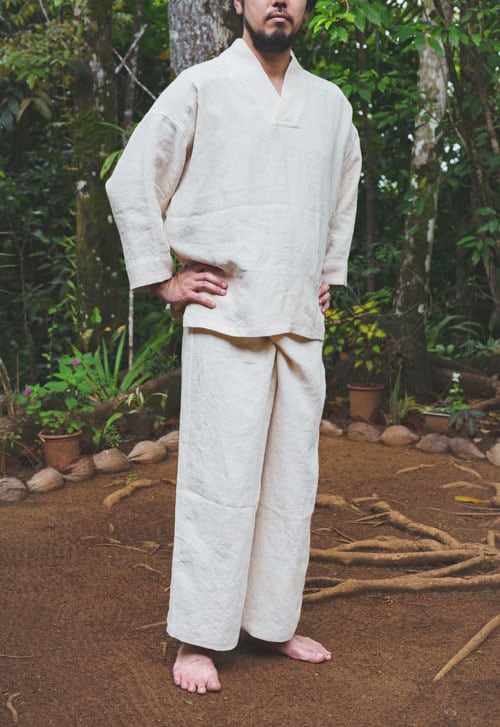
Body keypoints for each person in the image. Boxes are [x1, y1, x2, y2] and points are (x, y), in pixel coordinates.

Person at [106, 0, 361, 695]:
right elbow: (133, 177)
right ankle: (199, 634)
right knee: (219, 484)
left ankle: (271, 623)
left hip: (297, 322)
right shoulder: (202, 87)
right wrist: (163, 280)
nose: (278, 1)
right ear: (240, 4)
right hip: (225, 318)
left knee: (290, 485)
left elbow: (341, 195)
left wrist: (326, 273)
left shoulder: (331, 105)